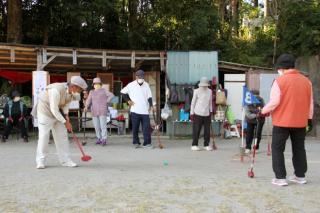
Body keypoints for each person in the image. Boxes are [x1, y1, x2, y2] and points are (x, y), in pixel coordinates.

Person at [261, 53, 313, 186]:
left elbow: (274, 102)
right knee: (299, 148)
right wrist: (309, 119)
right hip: (300, 122)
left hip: (282, 122)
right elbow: (310, 103)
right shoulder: (307, 81)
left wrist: (262, 111)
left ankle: (280, 177)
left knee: (278, 149)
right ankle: (300, 176)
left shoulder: (279, 81)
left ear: (281, 68)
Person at [33, 76, 88, 169]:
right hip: (45, 111)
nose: (81, 91)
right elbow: (53, 109)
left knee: (62, 136)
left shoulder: (71, 93)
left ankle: (65, 160)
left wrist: (66, 117)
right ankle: (40, 161)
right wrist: (65, 122)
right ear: (74, 86)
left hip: (58, 112)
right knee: (44, 136)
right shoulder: (56, 90)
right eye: (80, 89)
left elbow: (65, 105)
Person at [121, 70, 155, 148]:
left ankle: (147, 143)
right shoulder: (131, 85)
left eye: (142, 77)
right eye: (139, 77)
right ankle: (136, 142)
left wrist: (151, 106)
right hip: (135, 110)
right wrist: (128, 101)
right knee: (135, 128)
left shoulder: (146, 85)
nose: (141, 79)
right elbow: (123, 92)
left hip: (145, 111)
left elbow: (149, 96)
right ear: (136, 77)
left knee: (146, 128)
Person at [85, 77, 114, 146]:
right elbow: (88, 100)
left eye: (98, 84)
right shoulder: (91, 92)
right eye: (95, 84)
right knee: (96, 126)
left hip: (102, 110)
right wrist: (86, 106)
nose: (96, 85)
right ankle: (99, 138)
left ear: (100, 84)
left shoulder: (104, 90)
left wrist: (106, 101)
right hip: (94, 111)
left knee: (103, 126)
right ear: (93, 85)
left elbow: (112, 95)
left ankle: (104, 139)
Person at [190, 77, 213, 151]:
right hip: (197, 112)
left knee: (207, 131)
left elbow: (210, 103)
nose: (204, 86)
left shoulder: (210, 91)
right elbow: (193, 103)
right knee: (196, 130)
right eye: (203, 85)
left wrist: (211, 111)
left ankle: (206, 145)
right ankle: (194, 145)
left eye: (205, 85)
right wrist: (192, 113)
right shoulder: (196, 91)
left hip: (207, 113)